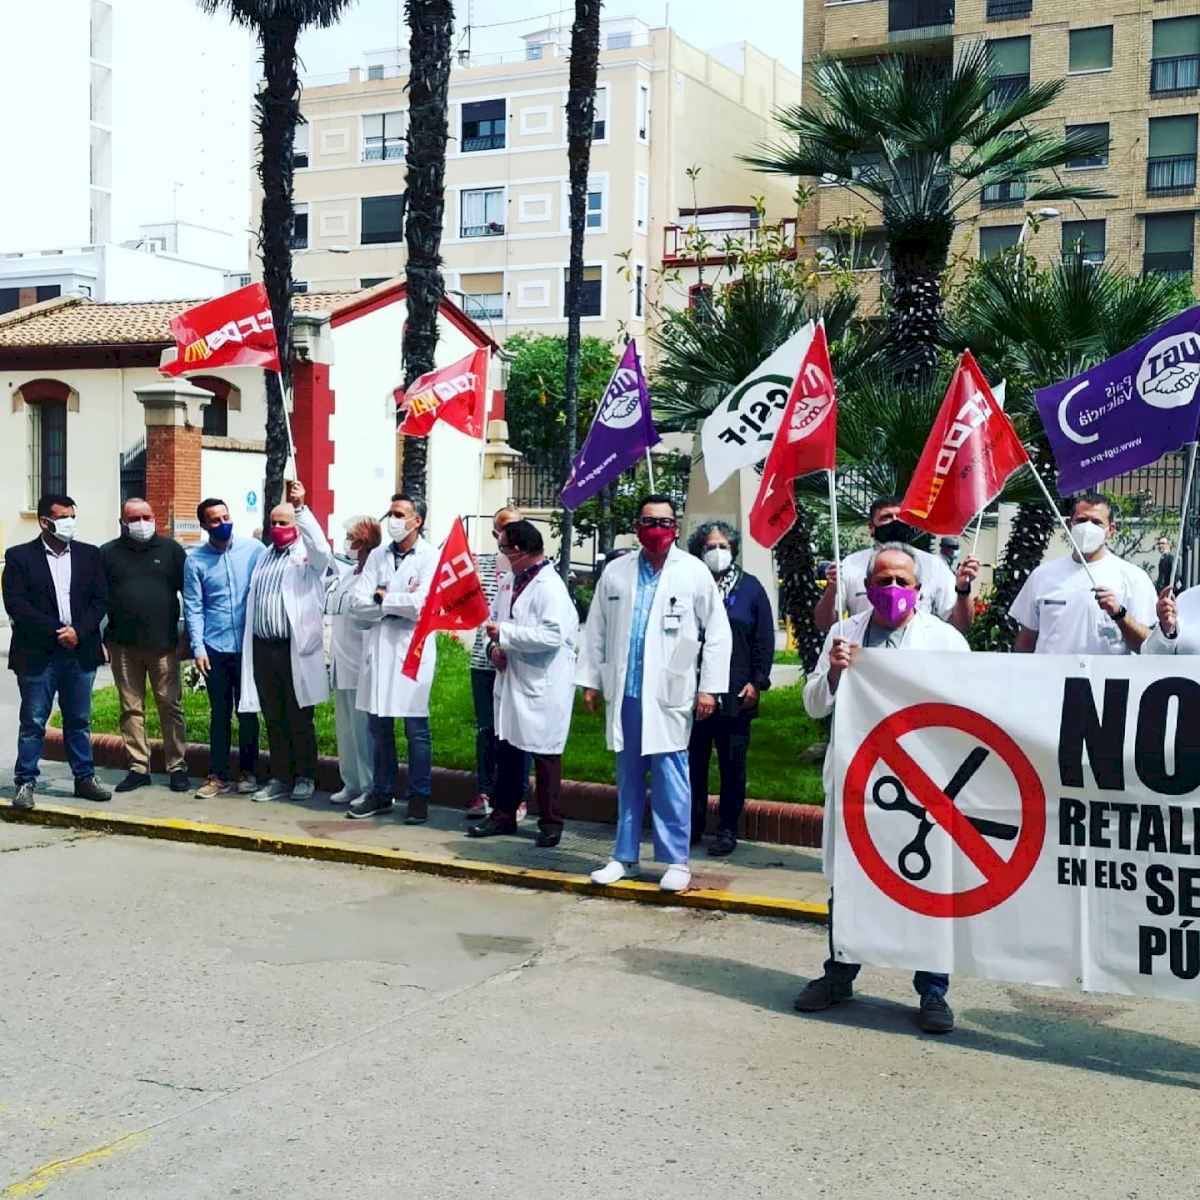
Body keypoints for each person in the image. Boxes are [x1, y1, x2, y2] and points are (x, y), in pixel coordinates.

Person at [795, 543, 969, 1034]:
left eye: (901, 581)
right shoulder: (843, 633)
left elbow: (967, 709)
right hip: (860, 780)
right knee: (852, 882)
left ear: (919, 589)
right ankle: (839, 975)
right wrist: (834, 671)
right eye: (882, 581)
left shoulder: (945, 640)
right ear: (867, 587)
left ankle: (933, 989)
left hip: (924, 783)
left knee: (930, 884)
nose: (892, 589)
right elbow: (813, 705)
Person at [579, 495, 732, 893]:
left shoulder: (693, 572)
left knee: (671, 777)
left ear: (676, 528)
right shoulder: (616, 572)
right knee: (628, 777)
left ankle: (675, 860)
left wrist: (709, 688)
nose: (657, 529)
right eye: (649, 522)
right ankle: (624, 856)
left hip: (670, 691)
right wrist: (590, 681)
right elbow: (596, 629)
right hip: (626, 691)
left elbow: (717, 633)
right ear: (637, 527)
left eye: (664, 522)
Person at [467, 521, 579, 847]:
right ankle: (503, 814)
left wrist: (506, 634)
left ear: (518, 550)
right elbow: (492, 623)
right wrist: (494, 648)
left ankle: (551, 822)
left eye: (502, 548)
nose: (500, 555)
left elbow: (552, 635)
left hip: (542, 683)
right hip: (512, 677)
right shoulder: (510, 581)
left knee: (545, 754)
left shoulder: (549, 587)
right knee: (508, 749)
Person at [3, 494, 111, 810]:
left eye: (72, 516)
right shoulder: (20, 556)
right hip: (38, 654)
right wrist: (57, 631)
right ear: (44, 522)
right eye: (63, 517)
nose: (69, 523)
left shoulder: (89, 555)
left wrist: (79, 631)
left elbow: (100, 601)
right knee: (34, 720)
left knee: (79, 719)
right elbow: (16, 604)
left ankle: (84, 778)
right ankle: (25, 782)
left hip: (80, 651)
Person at [238, 481, 331, 802]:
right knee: (273, 715)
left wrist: (302, 508)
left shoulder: (307, 556)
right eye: (273, 523)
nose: (277, 528)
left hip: (294, 648)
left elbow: (322, 550)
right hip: (264, 648)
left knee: (299, 715)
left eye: (284, 523)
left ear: (297, 526)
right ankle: (280, 777)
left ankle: (305, 775)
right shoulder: (264, 556)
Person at [686, 521, 775, 857]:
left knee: (732, 764)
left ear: (733, 549)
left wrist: (758, 681)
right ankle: (692, 825)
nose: (717, 552)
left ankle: (727, 829)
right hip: (693, 690)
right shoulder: (690, 584)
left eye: (723, 546)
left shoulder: (750, 588)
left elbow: (763, 638)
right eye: (710, 546)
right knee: (693, 762)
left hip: (737, 692)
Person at [347, 493, 437, 823]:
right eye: (391, 513)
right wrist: (394, 603)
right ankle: (382, 792)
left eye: (400, 514)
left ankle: (418, 796)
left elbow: (422, 605)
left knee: (416, 728)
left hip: (412, 650)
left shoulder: (430, 557)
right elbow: (358, 603)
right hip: (380, 649)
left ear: (417, 521)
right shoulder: (378, 556)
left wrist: (383, 599)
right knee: (379, 726)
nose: (394, 520)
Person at [101, 497, 189, 794]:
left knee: (170, 706)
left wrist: (188, 637)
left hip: (164, 645)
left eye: (146, 517)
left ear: (154, 518)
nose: (141, 523)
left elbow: (190, 595)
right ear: (122, 523)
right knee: (130, 709)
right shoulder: (107, 554)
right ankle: (138, 767)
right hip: (122, 646)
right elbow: (97, 599)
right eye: (134, 519)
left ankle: (177, 767)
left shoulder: (172, 551)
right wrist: (100, 640)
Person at [183, 497, 264, 798]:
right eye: (215, 520)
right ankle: (218, 776)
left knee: (248, 712)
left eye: (226, 517)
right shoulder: (196, 561)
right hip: (215, 647)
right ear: (204, 525)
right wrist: (198, 648)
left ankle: (248, 772)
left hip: (248, 646)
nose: (222, 523)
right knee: (220, 713)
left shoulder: (254, 550)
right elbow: (194, 607)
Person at [1011, 494, 1156, 655]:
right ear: (1069, 525)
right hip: (1050, 672)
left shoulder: (1134, 578)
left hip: (1106, 672)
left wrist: (1119, 614)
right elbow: (1026, 642)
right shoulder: (1042, 576)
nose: (1087, 528)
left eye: (1096, 522)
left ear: (1111, 530)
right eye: (1081, 520)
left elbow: (1147, 647)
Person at [814, 496, 979, 635]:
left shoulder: (934, 566)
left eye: (900, 517)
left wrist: (963, 591)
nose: (895, 522)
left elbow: (960, 626)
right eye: (886, 517)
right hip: (865, 656)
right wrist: (831, 590)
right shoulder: (850, 565)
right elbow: (824, 625)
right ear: (871, 527)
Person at [466, 505, 524, 819]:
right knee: (486, 729)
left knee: (516, 731)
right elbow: (475, 610)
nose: (510, 534)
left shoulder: (530, 568)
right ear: (495, 533)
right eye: (504, 528)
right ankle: (485, 791)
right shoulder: (482, 566)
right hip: (484, 661)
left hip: (517, 662)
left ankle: (518, 796)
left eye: (516, 527)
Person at [326, 515, 382, 806]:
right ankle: (351, 783)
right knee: (345, 728)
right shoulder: (348, 574)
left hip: (363, 662)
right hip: (341, 661)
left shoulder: (376, 574)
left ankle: (370, 786)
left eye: (351, 537)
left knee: (363, 731)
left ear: (364, 541)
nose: (347, 542)